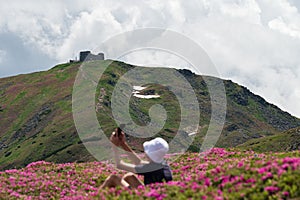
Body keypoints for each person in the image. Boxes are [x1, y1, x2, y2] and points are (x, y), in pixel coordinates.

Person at [100, 127, 172, 189]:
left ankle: (94, 197)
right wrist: (123, 144)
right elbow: (138, 162)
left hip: (150, 196)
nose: (145, 153)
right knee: (129, 176)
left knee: (113, 178)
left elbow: (119, 165)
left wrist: (114, 146)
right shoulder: (162, 164)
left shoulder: (150, 169)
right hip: (156, 194)